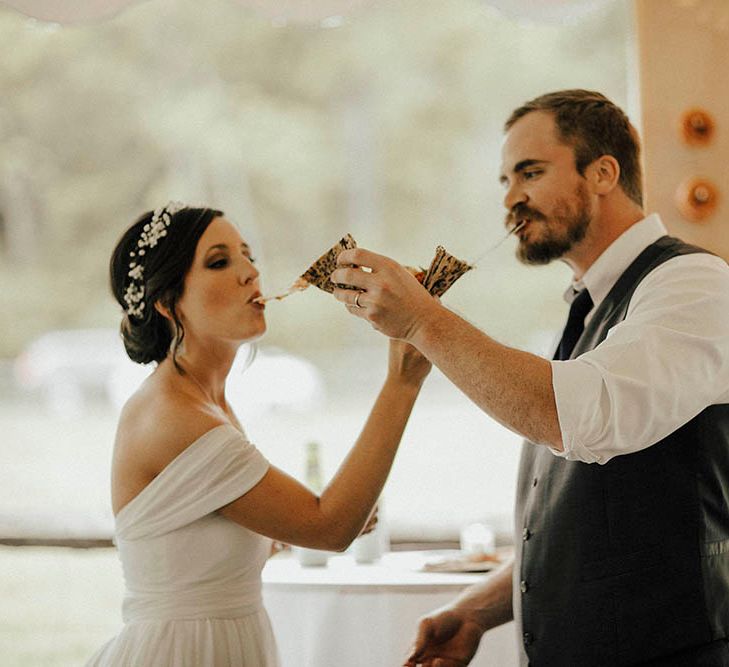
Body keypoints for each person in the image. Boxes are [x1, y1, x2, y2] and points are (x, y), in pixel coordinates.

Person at [331, 90, 729, 666]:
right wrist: (479, 609)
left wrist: (422, 318)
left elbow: (580, 417)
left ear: (603, 172)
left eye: (530, 173)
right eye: (505, 181)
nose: (512, 199)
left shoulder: (693, 285)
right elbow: (593, 521)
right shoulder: (588, 306)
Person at [86, 203, 431, 666]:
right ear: (167, 303)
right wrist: (402, 381)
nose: (251, 271)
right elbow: (330, 527)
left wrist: (283, 530)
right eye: (219, 261)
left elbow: (203, 545)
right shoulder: (175, 417)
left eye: (247, 254)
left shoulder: (207, 402)